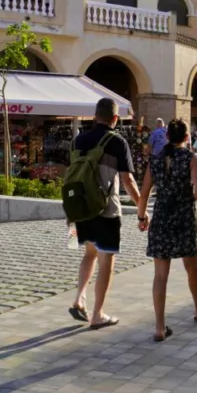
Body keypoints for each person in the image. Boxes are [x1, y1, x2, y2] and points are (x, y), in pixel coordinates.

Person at [69, 98, 143, 330]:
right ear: (115, 119)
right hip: (105, 210)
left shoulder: (78, 140)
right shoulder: (116, 141)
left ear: (94, 116)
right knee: (106, 259)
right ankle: (98, 314)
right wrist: (142, 208)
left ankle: (80, 298)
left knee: (89, 253)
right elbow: (128, 180)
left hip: (76, 208)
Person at [138, 119, 197, 343]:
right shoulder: (192, 158)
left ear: (167, 136)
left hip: (161, 218)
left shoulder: (156, 160)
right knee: (191, 266)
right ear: (187, 138)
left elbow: (144, 193)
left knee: (160, 275)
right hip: (184, 218)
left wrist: (142, 216)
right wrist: (186, 197)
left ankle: (159, 327)